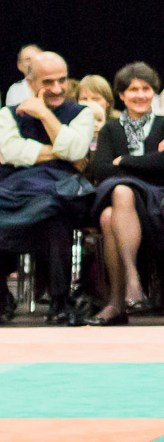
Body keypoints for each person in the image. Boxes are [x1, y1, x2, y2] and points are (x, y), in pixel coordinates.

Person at [0, 52, 96, 324]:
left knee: (54, 216)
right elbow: (10, 151)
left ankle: (60, 302)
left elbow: (77, 150)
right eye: (48, 82)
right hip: (16, 190)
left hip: (61, 191)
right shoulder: (8, 114)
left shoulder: (82, 113)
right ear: (30, 83)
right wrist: (62, 151)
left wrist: (43, 114)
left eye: (62, 80)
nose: (57, 88)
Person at [89, 63, 164, 325]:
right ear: (121, 95)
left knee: (114, 208)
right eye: (133, 90)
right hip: (120, 199)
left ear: (154, 92)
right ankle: (132, 281)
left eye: (146, 89)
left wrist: (124, 161)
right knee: (117, 200)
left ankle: (117, 302)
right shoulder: (110, 129)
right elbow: (101, 170)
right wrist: (151, 161)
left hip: (156, 199)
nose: (140, 95)